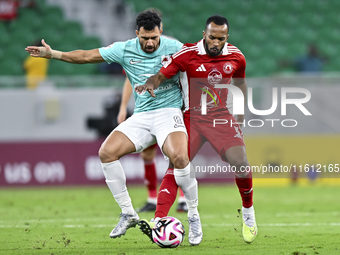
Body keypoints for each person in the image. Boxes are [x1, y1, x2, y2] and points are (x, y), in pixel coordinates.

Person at [25, 10, 202, 245]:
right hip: (142, 115)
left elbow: (196, 72)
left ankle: (193, 214)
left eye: (154, 38)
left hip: (169, 112)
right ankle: (128, 213)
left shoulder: (175, 47)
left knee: (180, 157)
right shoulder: (124, 48)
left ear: (160, 31)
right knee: (106, 153)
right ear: (136, 33)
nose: (149, 43)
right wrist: (54, 54)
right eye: (144, 38)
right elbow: (87, 56)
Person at [136, 15, 257, 244]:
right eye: (212, 37)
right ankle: (161, 220)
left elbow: (240, 84)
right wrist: (151, 83)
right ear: (204, 35)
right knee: (177, 164)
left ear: (226, 38)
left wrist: (239, 120)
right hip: (191, 119)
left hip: (220, 118)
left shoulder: (236, 56)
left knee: (241, 164)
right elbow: (162, 75)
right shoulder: (187, 54)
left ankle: (248, 213)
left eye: (220, 39)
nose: (215, 42)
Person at [117, 76, 187, 213]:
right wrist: (123, 107)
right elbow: (128, 78)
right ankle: (152, 199)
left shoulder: (172, 54)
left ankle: (184, 199)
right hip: (147, 111)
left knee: (178, 155)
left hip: (171, 110)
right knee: (147, 155)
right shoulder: (135, 56)